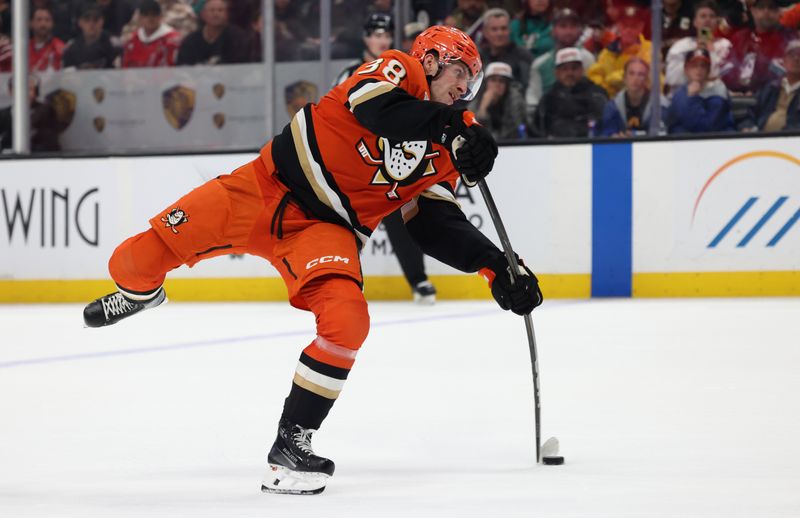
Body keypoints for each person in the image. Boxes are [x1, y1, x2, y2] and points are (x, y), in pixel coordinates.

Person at [81, 25, 542, 495]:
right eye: (461, 72)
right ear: (430, 60)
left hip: (326, 230)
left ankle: (290, 446)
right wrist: (453, 125)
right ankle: (142, 293)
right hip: (262, 188)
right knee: (129, 262)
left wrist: (497, 265)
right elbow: (376, 109)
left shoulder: (448, 143)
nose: (465, 89)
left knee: (347, 319)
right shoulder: (398, 69)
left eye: (472, 82)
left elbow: (432, 222)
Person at [332, 13, 439, 304]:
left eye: (386, 35)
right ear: (366, 38)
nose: (381, 40)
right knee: (344, 222)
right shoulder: (350, 72)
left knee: (400, 216)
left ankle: (418, 280)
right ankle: (341, 282)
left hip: (390, 156)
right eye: (376, 35)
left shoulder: (406, 71)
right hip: (353, 158)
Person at [525, 7, 595, 116]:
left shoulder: (587, 59)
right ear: (553, 31)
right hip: (550, 119)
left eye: (573, 26)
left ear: (580, 31)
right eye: (563, 26)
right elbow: (532, 99)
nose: (568, 31)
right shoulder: (540, 64)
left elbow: (594, 93)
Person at [531, 46, 608, 138]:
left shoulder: (597, 94)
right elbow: (538, 131)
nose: (570, 73)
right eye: (565, 69)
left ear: (582, 70)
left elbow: (605, 127)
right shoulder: (548, 99)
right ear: (557, 73)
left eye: (574, 68)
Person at [720, 0, 793, 94]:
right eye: (761, 7)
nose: (766, 11)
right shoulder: (740, 37)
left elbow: (785, 73)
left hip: (771, 97)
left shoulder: (787, 39)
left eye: (771, 7)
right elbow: (726, 70)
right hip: (737, 97)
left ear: (778, 12)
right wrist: (740, 86)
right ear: (753, 11)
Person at [665, 0, 732, 95]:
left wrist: (710, 51)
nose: (707, 20)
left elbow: (723, 77)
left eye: (712, 16)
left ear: (717, 22)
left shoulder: (724, 45)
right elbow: (672, 78)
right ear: (695, 22)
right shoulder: (681, 46)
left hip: (713, 95)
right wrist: (696, 55)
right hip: (684, 95)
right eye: (703, 16)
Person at [587, 5, 653, 98]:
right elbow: (594, 75)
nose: (628, 30)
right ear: (618, 26)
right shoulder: (608, 51)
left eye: (633, 26)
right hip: (612, 101)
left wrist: (611, 79)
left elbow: (646, 78)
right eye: (625, 25)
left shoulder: (650, 49)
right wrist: (608, 90)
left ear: (641, 27)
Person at [667, 48, 734, 133]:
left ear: (708, 70)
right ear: (686, 69)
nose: (699, 69)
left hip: (718, 141)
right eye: (694, 65)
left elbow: (706, 128)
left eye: (703, 65)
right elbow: (674, 127)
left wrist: (693, 99)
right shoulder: (679, 95)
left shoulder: (718, 91)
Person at [741, 39, 800, 132]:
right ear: (784, 61)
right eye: (792, 55)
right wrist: (747, 126)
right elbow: (750, 113)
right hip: (759, 138)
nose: (796, 58)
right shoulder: (770, 88)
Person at [600, 57, 668, 137]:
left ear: (646, 80)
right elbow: (606, 133)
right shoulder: (613, 106)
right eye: (631, 73)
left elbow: (661, 134)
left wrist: (635, 135)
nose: (635, 78)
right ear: (624, 78)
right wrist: (614, 136)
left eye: (641, 74)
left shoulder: (660, 105)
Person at [176, 0, 254, 65]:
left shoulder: (239, 39)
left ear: (227, 14)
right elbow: (183, 68)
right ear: (203, 14)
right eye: (212, 10)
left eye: (220, 10)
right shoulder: (191, 41)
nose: (216, 14)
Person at [0, 75, 60, 152]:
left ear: (36, 92)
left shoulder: (46, 111)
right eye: (20, 89)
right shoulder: (2, 114)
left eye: (30, 89)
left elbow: (49, 143)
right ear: (10, 92)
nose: (25, 94)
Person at [469, 61, 528, 139]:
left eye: (501, 81)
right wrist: (483, 109)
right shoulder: (476, 102)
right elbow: (473, 131)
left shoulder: (516, 101)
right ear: (486, 83)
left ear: (507, 85)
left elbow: (515, 130)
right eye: (493, 80)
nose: (497, 84)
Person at [480, 8, 533, 89]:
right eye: (494, 29)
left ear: (510, 30)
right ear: (485, 32)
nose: (500, 33)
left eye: (503, 28)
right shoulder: (478, 57)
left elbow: (526, 87)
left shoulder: (523, 56)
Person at [121, 0, 180, 67]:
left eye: (154, 15)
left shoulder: (171, 40)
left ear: (160, 17)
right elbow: (126, 66)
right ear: (140, 17)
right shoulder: (133, 39)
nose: (150, 19)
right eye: (146, 15)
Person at [62, 4, 118, 69]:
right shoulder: (71, 49)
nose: (91, 23)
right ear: (80, 22)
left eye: (95, 19)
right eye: (87, 20)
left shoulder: (114, 45)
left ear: (102, 21)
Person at [29, 6, 66, 72]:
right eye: (39, 20)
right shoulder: (23, 49)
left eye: (47, 20)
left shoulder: (59, 47)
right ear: (31, 23)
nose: (43, 24)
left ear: (52, 23)